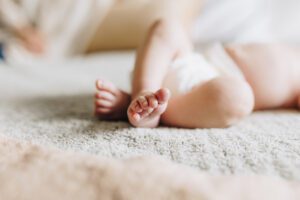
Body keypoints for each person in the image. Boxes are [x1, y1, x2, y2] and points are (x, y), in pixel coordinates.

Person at [94, 16, 300, 128]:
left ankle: (153, 111)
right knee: (167, 26)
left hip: (205, 92)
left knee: (239, 97)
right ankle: (144, 92)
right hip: (193, 62)